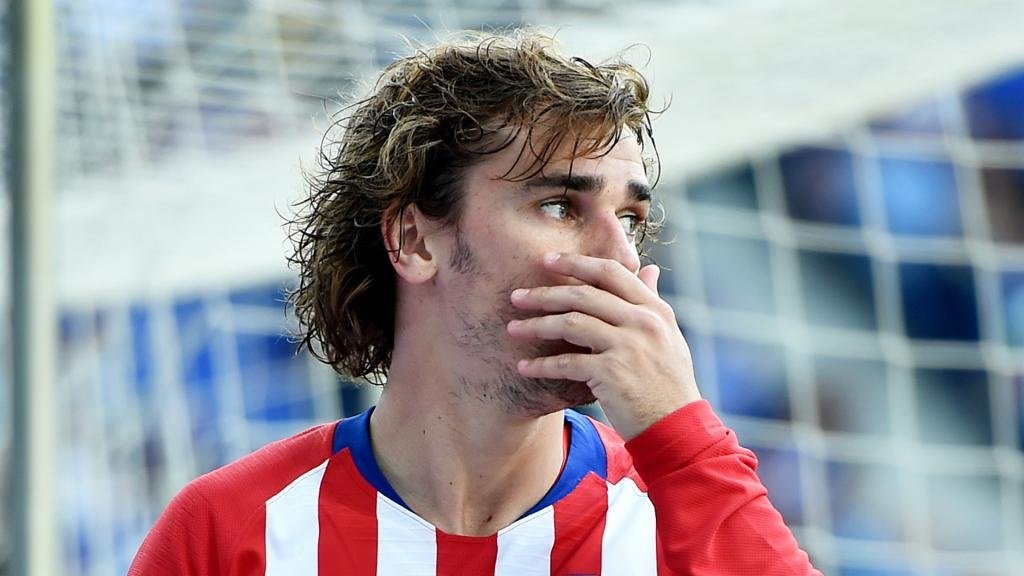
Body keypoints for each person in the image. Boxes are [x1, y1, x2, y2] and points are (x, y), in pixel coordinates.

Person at [129, 29, 820, 575]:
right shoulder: (232, 532)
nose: (620, 259)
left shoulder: (682, 523)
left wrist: (681, 436)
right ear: (413, 240)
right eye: (560, 206)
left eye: (631, 219)